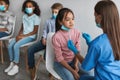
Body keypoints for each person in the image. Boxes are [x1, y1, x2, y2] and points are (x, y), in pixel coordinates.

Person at [68, 0, 120, 80]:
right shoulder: (113, 38)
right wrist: (90, 43)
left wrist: (75, 51)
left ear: (99, 17)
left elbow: (86, 66)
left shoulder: (97, 44)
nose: (95, 18)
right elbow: (106, 52)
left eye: (95, 15)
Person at [52, 8, 91, 80]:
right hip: (61, 63)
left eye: (72, 19)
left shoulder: (76, 32)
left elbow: (77, 50)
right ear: (60, 22)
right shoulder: (56, 37)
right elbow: (59, 58)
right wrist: (72, 71)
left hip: (73, 60)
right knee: (70, 78)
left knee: (89, 73)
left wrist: (76, 64)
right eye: (67, 20)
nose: (71, 22)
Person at [4, 0, 41, 76]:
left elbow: (35, 31)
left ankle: (16, 66)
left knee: (16, 45)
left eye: (30, 6)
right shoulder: (24, 16)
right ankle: (12, 63)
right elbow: (22, 28)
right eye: (26, 7)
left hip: (31, 37)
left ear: (34, 7)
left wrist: (22, 36)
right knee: (10, 44)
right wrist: (18, 35)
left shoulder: (36, 18)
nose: (28, 8)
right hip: (23, 35)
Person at [27, 3, 63, 80]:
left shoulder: (62, 24)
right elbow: (45, 31)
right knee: (30, 50)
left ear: (60, 13)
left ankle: (51, 71)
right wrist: (43, 38)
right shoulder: (48, 21)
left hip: (54, 44)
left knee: (46, 57)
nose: (54, 14)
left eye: (56, 12)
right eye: (53, 12)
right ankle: (32, 69)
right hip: (45, 41)